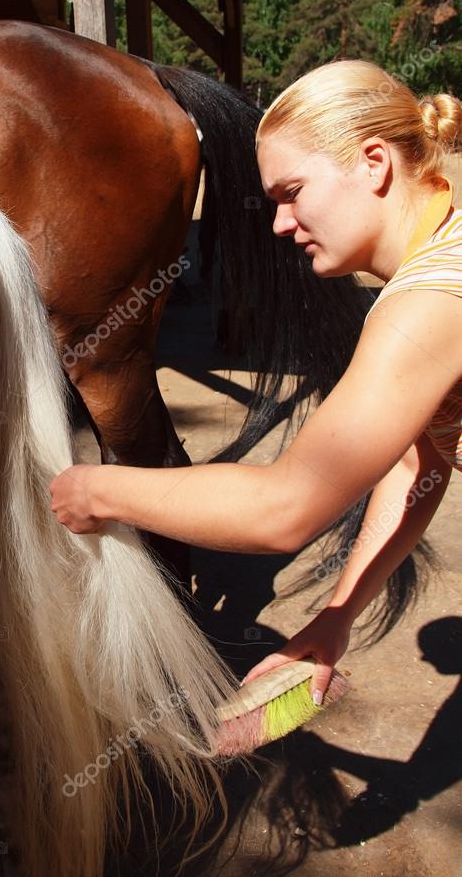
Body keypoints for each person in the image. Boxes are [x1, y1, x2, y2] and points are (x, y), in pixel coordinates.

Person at [49, 60, 462, 705]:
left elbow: (284, 508)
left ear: (374, 163)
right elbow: (421, 465)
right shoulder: (440, 259)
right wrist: (335, 619)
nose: (277, 224)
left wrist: (98, 489)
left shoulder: (432, 299)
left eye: (291, 192)